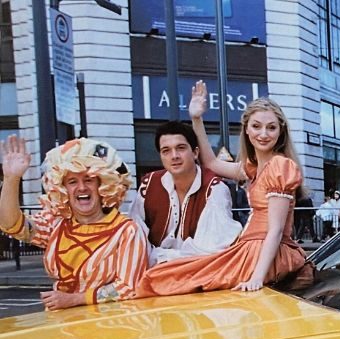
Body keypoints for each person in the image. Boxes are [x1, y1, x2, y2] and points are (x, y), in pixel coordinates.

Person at [137, 81, 307, 296]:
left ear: (280, 132)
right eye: (256, 126)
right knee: (170, 273)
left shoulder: (280, 166)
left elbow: (275, 230)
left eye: (271, 127)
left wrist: (256, 276)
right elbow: (211, 163)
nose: (263, 134)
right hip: (249, 249)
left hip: (265, 253)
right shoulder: (253, 168)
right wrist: (197, 118)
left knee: (177, 278)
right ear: (246, 129)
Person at [0, 135, 148, 309]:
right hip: (61, 326)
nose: (82, 187)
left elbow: (129, 287)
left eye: (88, 180)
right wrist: (11, 179)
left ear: (103, 185)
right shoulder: (56, 225)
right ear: (63, 189)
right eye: (72, 181)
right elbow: (12, 225)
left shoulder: (126, 230)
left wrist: (74, 299)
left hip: (108, 326)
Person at [129, 121, 241, 266]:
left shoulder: (214, 188)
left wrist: (158, 256)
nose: (174, 156)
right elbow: (134, 238)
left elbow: (212, 251)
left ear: (195, 152)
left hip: (197, 273)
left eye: (180, 148)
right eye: (166, 151)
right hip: (152, 272)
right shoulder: (148, 184)